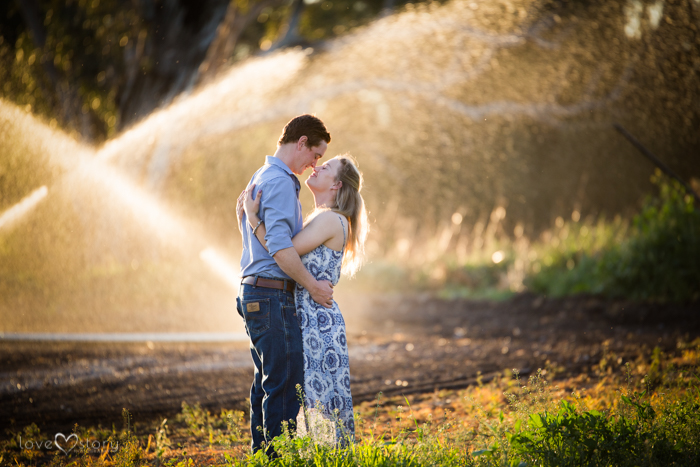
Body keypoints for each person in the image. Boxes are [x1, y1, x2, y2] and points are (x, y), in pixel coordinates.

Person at [240, 154, 368, 446]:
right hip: (310, 315)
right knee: (298, 391)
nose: (316, 166)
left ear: (336, 185)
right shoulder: (321, 218)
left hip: (316, 320)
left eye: (326, 167)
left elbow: (283, 249)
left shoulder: (329, 219)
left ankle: (295, 457)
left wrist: (252, 219)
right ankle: (285, 456)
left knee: (314, 396)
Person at [235, 114, 334, 455]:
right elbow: (279, 247)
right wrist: (313, 285)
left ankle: (263, 457)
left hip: (256, 293)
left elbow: (261, 237)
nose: (314, 164)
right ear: (302, 142)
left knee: (268, 383)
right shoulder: (277, 181)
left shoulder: (263, 176)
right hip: (270, 295)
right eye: (315, 155)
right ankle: (275, 459)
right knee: (284, 384)